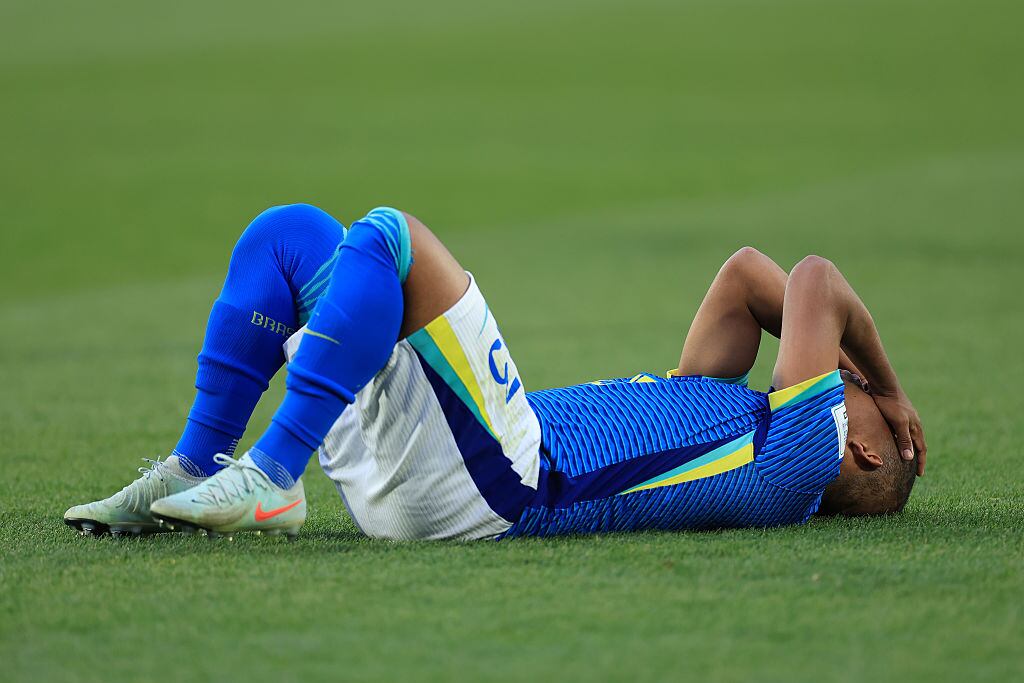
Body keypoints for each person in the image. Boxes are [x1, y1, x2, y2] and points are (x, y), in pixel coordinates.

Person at [64, 204, 927, 540]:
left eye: (838, 388)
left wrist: (882, 384)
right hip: (454, 460)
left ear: (865, 452)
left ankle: (275, 476)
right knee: (286, 239)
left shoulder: (802, 456)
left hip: (510, 481)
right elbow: (748, 276)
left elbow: (814, 279)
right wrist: (847, 381)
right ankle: (200, 465)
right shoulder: (741, 424)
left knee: (391, 236)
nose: (822, 373)